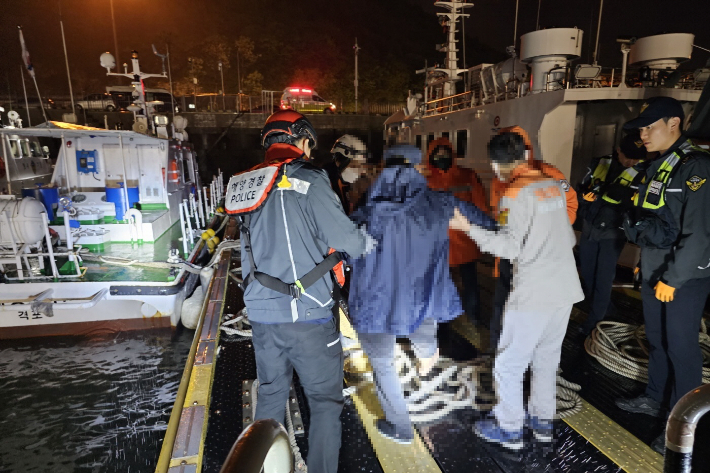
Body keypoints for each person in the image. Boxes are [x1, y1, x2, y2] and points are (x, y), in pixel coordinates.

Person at [234, 110, 375, 473]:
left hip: (263, 314)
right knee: (325, 403)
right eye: (308, 143)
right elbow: (350, 243)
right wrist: (366, 239)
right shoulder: (310, 179)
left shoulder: (245, 183)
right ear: (301, 138)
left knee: (270, 397)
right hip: (308, 314)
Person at [348, 144, 497, 444]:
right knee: (423, 327)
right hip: (423, 295)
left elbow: (343, 244)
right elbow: (488, 222)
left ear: (385, 169)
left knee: (383, 364)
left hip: (376, 301)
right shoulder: (440, 202)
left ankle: (401, 429)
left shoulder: (368, 207)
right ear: (418, 169)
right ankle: (427, 362)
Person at [450, 130, 584, 450]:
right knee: (546, 360)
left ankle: (510, 428)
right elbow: (569, 236)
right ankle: (542, 422)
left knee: (508, 364)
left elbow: (508, 247)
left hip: (534, 291)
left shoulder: (515, 192)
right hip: (565, 288)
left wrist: (468, 228)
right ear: (525, 155)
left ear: (496, 165)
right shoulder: (552, 184)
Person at [615, 96, 710, 453]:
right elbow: (655, 223)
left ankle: (685, 422)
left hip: (683, 277)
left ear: (674, 123)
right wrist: (643, 261)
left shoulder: (696, 167)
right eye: (641, 127)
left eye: (649, 126)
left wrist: (673, 278)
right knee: (656, 338)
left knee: (682, 348)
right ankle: (655, 397)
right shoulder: (660, 165)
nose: (643, 134)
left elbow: (699, 234)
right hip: (657, 270)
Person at [488, 126, 578, 353]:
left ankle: (518, 359)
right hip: (509, 255)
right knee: (501, 304)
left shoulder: (550, 175)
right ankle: (495, 351)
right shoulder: (498, 180)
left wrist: (545, 235)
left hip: (538, 258)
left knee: (534, 310)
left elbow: (570, 205)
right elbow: (498, 215)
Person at [576, 133, 649, 336]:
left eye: (638, 158)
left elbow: (641, 205)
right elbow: (580, 188)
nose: (633, 162)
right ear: (618, 151)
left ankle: (594, 322)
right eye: (629, 157)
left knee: (603, 279)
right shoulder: (599, 162)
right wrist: (584, 197)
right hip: (591, 227)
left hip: (614, 232)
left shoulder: (645, 172)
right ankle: (606, 309)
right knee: (588, 274)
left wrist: (623, 198)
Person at [424, 137, 489, 321]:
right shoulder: (426, 180)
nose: (442, 157)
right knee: (463, 285)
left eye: (445, 153)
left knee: (467, 286)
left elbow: (480, 206)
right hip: (447, 245)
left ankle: (468, 320)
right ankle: (466, 321)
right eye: (438, 154)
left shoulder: (467, 176)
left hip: (457, 244)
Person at [323, 134, 369, 214]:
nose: (361, 171)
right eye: (354, 166)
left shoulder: (345, 184)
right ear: (342, 161)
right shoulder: (324, 183)